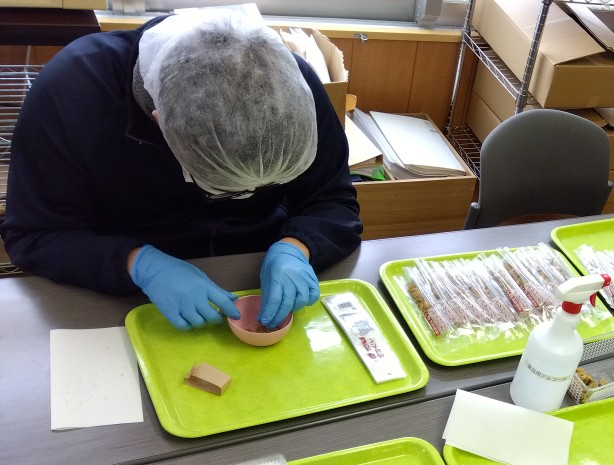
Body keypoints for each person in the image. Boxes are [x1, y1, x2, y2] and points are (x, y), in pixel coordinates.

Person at [0, 9, 362, 331]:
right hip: (123, 297)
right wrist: (138, 264)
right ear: (161, 124)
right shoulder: (73, 91)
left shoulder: (289, 85)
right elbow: (34, 235)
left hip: (256, 269)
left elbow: (332, 197)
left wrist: (298, 247)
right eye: (222, 186)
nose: (246, 197)